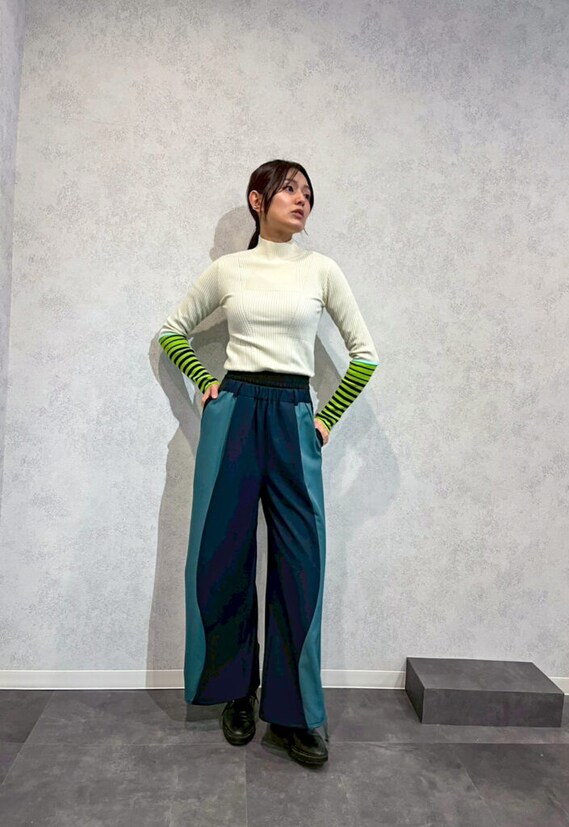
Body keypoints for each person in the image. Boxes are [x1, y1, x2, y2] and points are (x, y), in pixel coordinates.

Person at [158, 159, 379, 767]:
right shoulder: (229, 270)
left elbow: (365, 355)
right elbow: (173, 332)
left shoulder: (322, 270)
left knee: (300, 564)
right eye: (288, 189)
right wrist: (204, 380)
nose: (301, 199)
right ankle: (237, 693)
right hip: (234, 413)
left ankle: (294, 714)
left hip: (293, 413)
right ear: (257, 200)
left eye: (308, 192)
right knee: (222, 555)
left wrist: (325, 420)